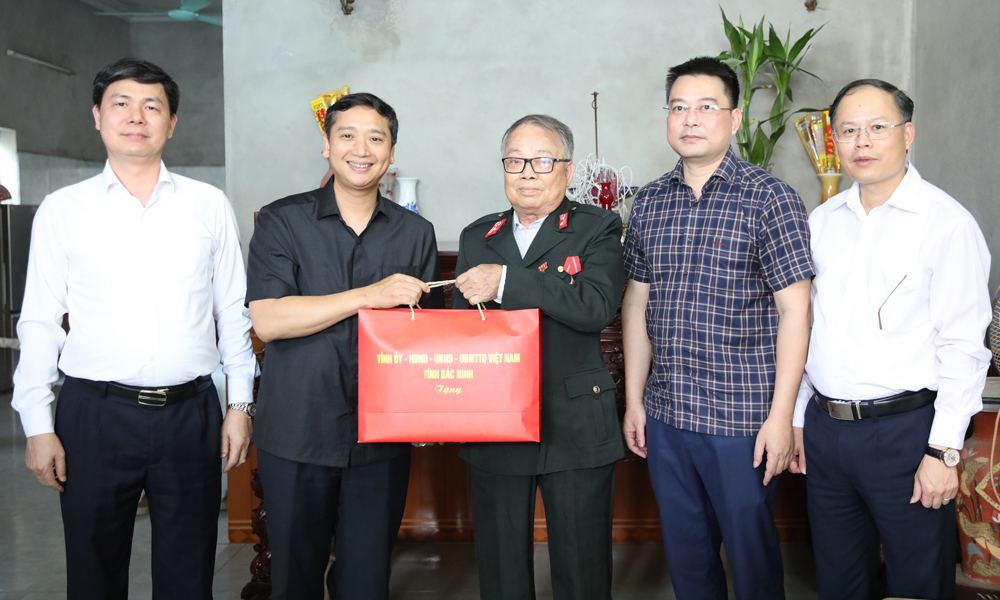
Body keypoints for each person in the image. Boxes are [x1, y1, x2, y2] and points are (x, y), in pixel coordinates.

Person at [13, 58, 256, 600]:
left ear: (172, 123)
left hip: (191, 415)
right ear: (97, 116)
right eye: (121, 104)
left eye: (152, 106)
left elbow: (232, 311)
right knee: (93, 574)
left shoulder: (208, 205)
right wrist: (36, 424)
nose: (136, 117)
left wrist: (240, 406)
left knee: (188, 574)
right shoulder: (63, 210)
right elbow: (40, 321)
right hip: (94, 416)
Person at [789, 79, 991, 600]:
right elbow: (810, 328)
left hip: (906, 434)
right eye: (848, 130)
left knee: (916, 582)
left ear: (908, 133)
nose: (862, 142)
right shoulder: (822, 221)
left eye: (877, 127)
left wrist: (943, 451)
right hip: (826, 431)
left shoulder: (946, 224)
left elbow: (964, 346)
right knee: (839, 580)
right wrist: (798, 419)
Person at [620, 56, 814, 599]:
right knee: (688, 560)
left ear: (735, 118)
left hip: (742, 421)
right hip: (667, 414)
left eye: (706, 106)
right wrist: (634, 401)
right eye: (678, 107)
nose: (690, 118)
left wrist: (781, 418)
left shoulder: (770, 198)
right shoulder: (649, 201)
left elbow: (796, 312)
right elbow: (636, 305)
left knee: (752, 562)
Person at [246, 92, 443, 600]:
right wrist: (367, 297)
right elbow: (269, 320)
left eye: (376, 138)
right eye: (347, 135)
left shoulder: (415, 232)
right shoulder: (281, 221)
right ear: (327, 145)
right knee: (294, 582)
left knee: (367, 582)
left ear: (392, 152)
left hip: (381, 439)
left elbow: (422, 338)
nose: (362, 149)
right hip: (297, 432)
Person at [453, 114, 625, 600]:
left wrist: (506, 282)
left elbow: (594, 307)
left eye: (542, 160)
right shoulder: (477, 237)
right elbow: (462, 334)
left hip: (575, 419)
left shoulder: (598, 226)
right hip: (496, 421)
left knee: (583, 569)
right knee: (501, 569)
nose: (527, 172)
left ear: (567, 171)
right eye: (515, 161)